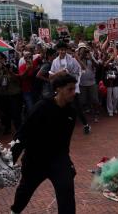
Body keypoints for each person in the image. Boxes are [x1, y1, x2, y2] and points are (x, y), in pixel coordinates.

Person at [10, 74, 78, 214]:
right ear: (58, 89)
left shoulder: (71, 111)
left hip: (58, 159)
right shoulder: (42, 107)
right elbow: (23, 133)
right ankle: (15, 211)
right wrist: (10, 159)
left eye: (74, 89)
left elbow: (65, 142)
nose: (74, 93)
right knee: (25, 190)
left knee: (67, 191)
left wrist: (67, 163)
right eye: (70, 89)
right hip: (36, 159)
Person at [50, 42, 91, 134]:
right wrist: (59, 73)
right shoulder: (55, 61)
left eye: (64, 49)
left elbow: (81, 69)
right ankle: (62, 126)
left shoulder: (72, 59)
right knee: (61, 107)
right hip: (61, 89)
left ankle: (86, 125)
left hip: (72, 87)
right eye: (61, 50)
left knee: (77, 107)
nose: (63, 51)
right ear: (58, 50)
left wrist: (70, 73)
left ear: (66, 50)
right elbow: (51, 75)